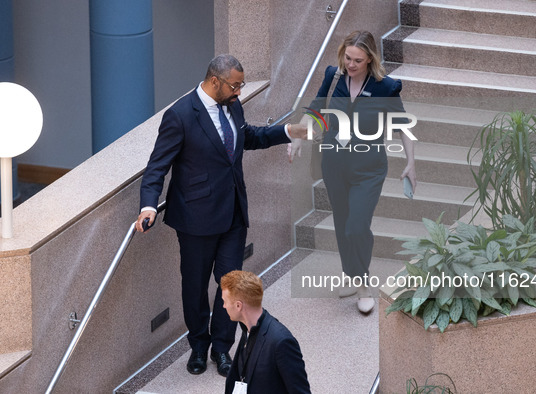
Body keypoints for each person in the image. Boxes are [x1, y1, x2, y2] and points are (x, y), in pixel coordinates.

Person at [135, 54, 307, 377]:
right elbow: (157, 166)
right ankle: (199, 347)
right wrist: (148, 205)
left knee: (231, 286)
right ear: (215, 81)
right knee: (195, 287)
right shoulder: (181, 115)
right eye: (235, 85)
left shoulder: (232, 106)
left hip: (232, 215)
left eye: (240, 86)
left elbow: (250, 137)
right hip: (195, 219)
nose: (239, 92)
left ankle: (221, 349)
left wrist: (288, 130)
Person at [289, 30, 417, 314]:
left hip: (369, 169)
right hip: (334, 165)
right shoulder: (334, 77)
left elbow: (403, 126)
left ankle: (363, 284)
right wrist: (298, 136)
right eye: (348, 57)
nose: (351, 64)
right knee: (342, 225)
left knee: (356, 227)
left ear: (370, 59)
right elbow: (315, 111)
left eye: (358, 60)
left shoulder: (385, 87)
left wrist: (410, 163)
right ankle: (354, 273)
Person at [221, 270, 311, 394]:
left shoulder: (282, 342)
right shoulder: (246, 327)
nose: (224, 306)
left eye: (225, 301)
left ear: (238, 306)